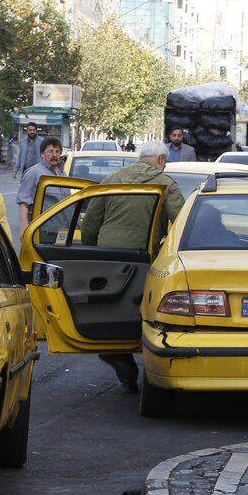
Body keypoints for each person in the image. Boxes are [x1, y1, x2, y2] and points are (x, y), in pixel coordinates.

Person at [80, 141, 185, 393]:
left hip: (108, 256)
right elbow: (181, 221)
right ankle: (148, 363)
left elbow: (90, 225)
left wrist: (93, 251)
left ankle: (116, 352)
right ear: (160, 159)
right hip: (143, 257)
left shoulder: (111, 179)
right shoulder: (166, 183)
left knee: (111, 307)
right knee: (143, 310)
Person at [17, 136, 62, 228]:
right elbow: (23, 203)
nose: (54, 155)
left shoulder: (63, 174)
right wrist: (24, 229)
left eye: (57, 151)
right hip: (41, 231)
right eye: (50, 151)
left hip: (61, 230)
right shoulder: (34, 173)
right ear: (42, 154)